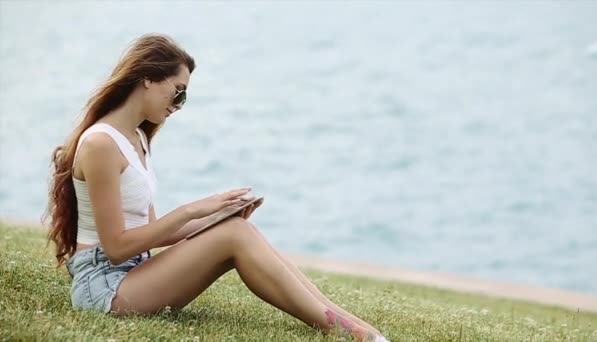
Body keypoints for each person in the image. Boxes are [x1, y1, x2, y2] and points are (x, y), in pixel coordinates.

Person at [45, 33, 390, 342]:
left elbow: (149, 234)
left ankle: (353, 326)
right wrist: (194, 209)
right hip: (105, 288)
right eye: (178, 92)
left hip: (134, 271)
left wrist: (218, 217)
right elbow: (117, 247)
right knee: (235, 234)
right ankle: (347, 333)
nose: (178, 105)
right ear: (148, 77)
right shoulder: (101, 145)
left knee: (237, 227)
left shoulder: (136, 138)